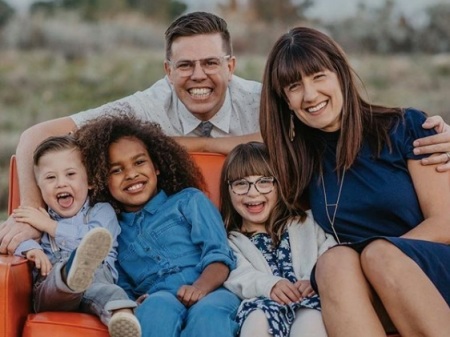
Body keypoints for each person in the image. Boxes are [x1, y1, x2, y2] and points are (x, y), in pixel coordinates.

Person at [1, 10, 450, 255]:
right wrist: (27, 220)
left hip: (275, 241)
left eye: (211, 63)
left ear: (231, 66)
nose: (199, 76)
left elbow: (340, 117)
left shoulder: (270, 102)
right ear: (167, 70)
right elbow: (36, 135)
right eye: (185, 65)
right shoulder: (144, 106)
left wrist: (437, 131)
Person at [260, 26, 450, 337]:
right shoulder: (302, 157)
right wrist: (183, 143)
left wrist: (375, 258)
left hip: (432, 271)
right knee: (333, 263)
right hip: (362, 283)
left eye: (318, 76)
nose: (310, 95)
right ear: (285, 101)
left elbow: (445, 223)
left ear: (340, 75)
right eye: (294, 86)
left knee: (380, 255)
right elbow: (247, 144)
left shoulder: (407, 127)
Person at [73, 111, 241, 337]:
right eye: (116, 170)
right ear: (103, 181)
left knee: (208, 316)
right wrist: (133, 300)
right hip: (160, 296)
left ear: (157, 166)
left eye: (139, 162)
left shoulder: (189, 200)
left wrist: (200, 288)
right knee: (154, 309)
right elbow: (121, 281)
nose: (131, 174)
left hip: (212, 290)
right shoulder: (113, 231)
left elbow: (219, 256)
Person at [12, 135, 141, 337]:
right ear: (39, 188)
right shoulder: (36, 215)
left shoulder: (102, 211)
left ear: (89, 182)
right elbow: (9, 238)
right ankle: (69, 274)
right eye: (50, 178)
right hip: (52, 287)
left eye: (70, 174)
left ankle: (122, 316)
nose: (61, 184)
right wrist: (30, 248)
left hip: (97, 276)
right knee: (56, 279)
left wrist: (51, 226)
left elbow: (100, 239)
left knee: (108, 292)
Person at [221, 142, 337, 337]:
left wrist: (315, 279)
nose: (253, 192)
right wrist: (270, 285)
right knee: (256, 320)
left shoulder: (306, 222)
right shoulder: (230, 240)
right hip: (262, 303)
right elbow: (237, 274)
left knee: (311, 320)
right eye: (241, 184)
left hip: (308, 299)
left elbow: (331, 252)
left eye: (264, 181)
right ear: (228, 190)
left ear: (279, 184)